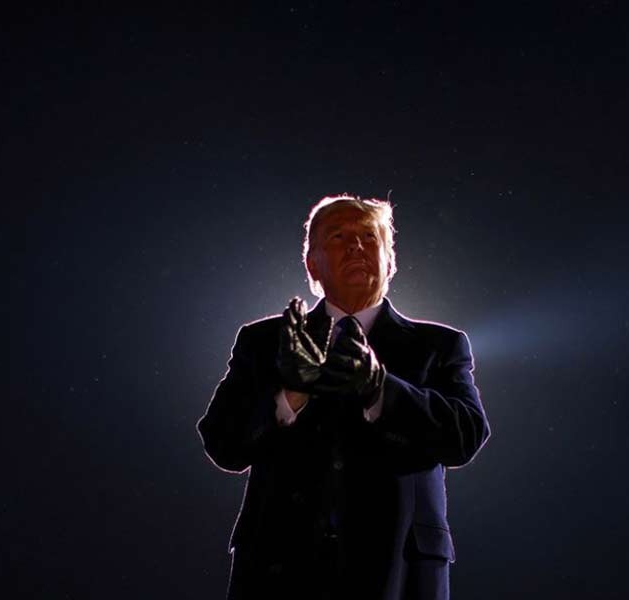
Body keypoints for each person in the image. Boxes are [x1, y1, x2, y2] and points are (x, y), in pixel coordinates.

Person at [197, 194, 490, 600]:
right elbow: (223, 444)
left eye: (369, 237)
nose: (356, 246)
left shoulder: (439, 345)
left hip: (398, 575)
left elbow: (466, 438)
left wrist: (380, 389)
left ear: (390, 261)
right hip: (280, 573)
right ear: (311, 264)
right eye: (338, 236)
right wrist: (291, 393)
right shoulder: (264, 341)